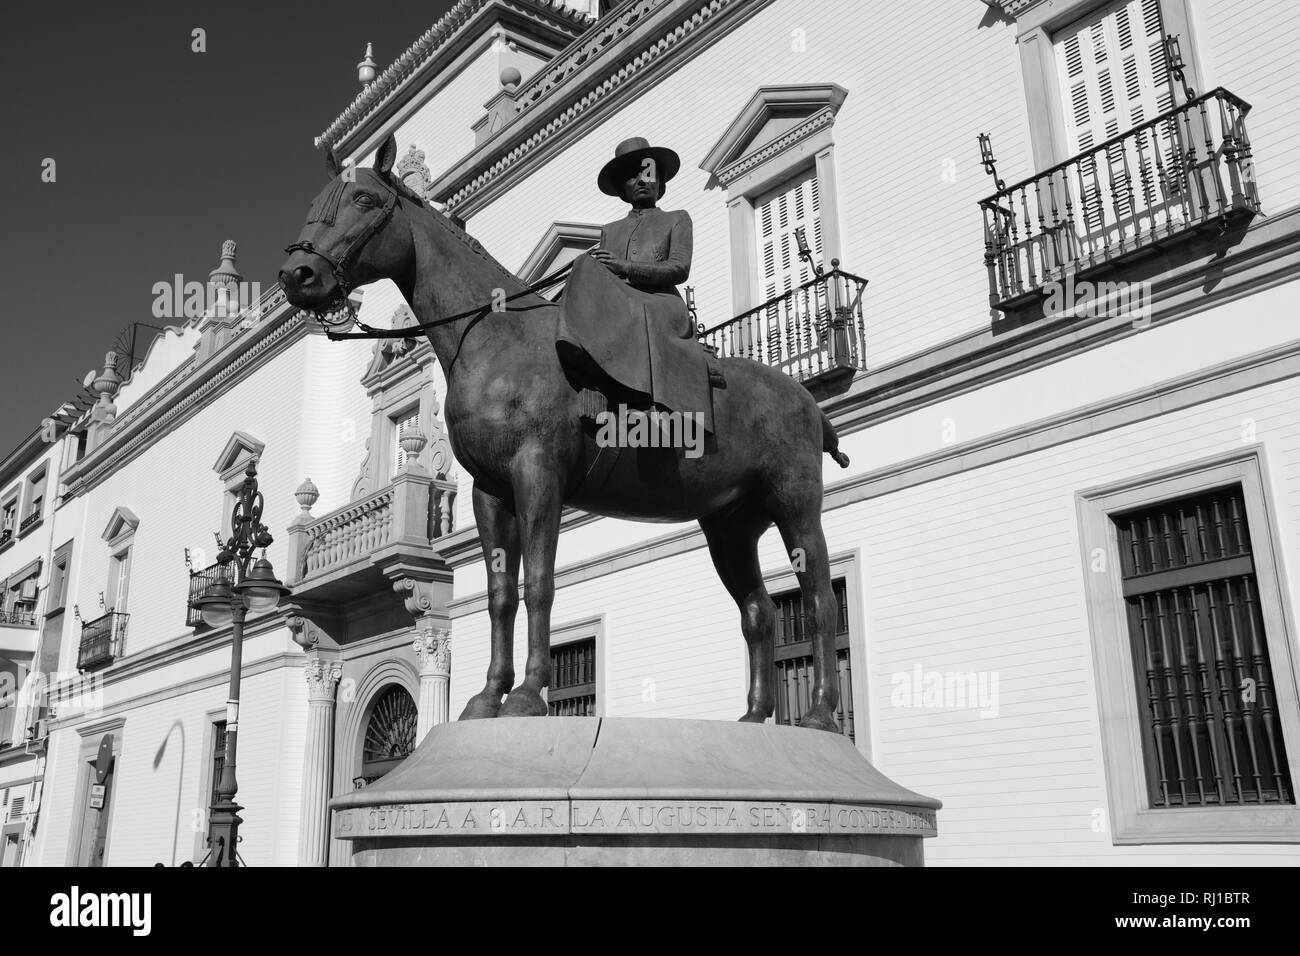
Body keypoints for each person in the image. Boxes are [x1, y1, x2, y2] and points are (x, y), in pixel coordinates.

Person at [557, 137, 714, 433]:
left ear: (660, 181)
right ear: (622, 188)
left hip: (661, 302)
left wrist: (624, 267)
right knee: (583, 267)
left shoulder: (677, 219)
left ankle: (652, 402)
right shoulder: (610, 231)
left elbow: (679, 269)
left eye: (648, 173)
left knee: (641, 313)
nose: (641, 180)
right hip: (621, 303)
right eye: (633, 175)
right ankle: (589, 377)